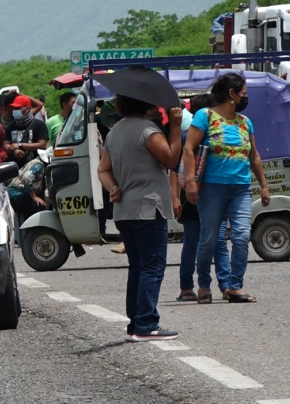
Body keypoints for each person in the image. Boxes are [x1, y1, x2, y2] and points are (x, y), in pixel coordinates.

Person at [98, 92, 183, 342]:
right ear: (146, 105)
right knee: (152, 266)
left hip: (124, 210)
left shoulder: (114, 131)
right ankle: (146, 324)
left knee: (137, 266)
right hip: (148, 207)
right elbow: (171, 158)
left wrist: (113, 187)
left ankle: (136, 323)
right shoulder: (148, 131)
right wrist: (175, 127)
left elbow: (102, 169)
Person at [183, 73, 271, 304]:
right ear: (231, 94)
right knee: (210, 240)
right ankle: (203, 284)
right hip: (212, 188)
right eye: (244, 93)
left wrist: (263, 185)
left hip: (241, 188)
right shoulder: (205, 116)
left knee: (242, 236)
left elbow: (254, 156)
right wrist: (190, 182)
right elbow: (189, 149)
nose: (246, 97)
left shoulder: (245, 122)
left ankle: (234, 286)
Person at [171, 94, 231, 303]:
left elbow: (172, 171)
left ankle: (192, 288)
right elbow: (174, 169)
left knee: (198, 243)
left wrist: (175, 198)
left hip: (198, 197)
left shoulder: (189, 136)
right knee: (210, 243)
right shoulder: (197, 138)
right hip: (202, 197)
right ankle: (222, 286)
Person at [2, 95, 48, 167]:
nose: (15, 111)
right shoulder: (11, 126)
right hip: (15, 167)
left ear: (27, 109)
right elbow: (5, 144)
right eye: (14, 108)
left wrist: (20, 145)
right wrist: (14, 151)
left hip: (35, 166)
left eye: (18, 108)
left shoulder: (39, 125)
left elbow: (42, 145)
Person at [7, 151, 49, 220]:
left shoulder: (34, 162)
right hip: (16, 195)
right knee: (39, 206)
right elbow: (28, 177)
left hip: (16, 194)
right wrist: (34, 196)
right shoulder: (39, 165)